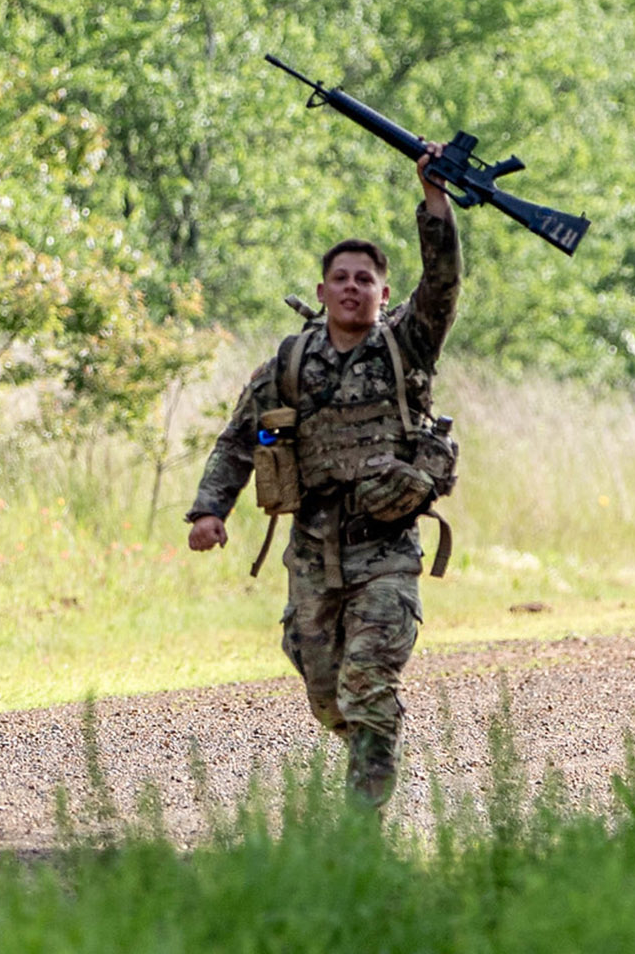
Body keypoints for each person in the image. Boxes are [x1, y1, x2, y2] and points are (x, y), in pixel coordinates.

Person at [184, 145, 460, 807]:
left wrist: (434, 200)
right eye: (341, 277)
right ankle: (371, 738)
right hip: (311, 548)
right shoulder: (291, 362)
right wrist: (208, 509)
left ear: (385, 293)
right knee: (326, 691)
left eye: (366, 279)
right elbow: (239, 438)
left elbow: (444, 281)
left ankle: (360, 825)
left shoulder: (405, 343)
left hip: (386, 546)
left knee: (367, 682)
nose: (352, 287)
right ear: (321, 290)